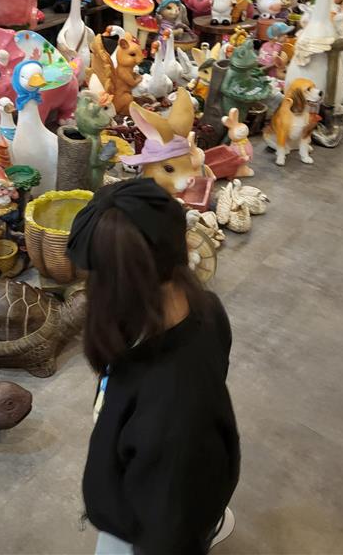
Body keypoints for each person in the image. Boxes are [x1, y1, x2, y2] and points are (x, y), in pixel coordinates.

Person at [67, 180, 240, 555]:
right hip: (163, 489)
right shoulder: (206, 308)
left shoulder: (169, 413)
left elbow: (168, 529)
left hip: (143, 527)